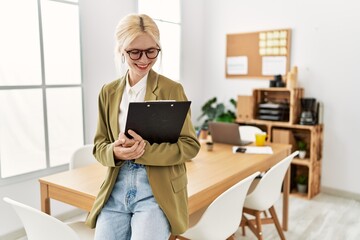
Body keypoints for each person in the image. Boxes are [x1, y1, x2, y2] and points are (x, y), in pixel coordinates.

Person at [85, 13, 200, 240]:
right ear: (121, 50)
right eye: (134, 52)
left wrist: (145, 151)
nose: (144, 59)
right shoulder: (108, 92)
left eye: (151, 51)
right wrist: (115, 152)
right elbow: (99, 146)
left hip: (157, 192)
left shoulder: (172, 89)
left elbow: (190, 146)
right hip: (115, 190)